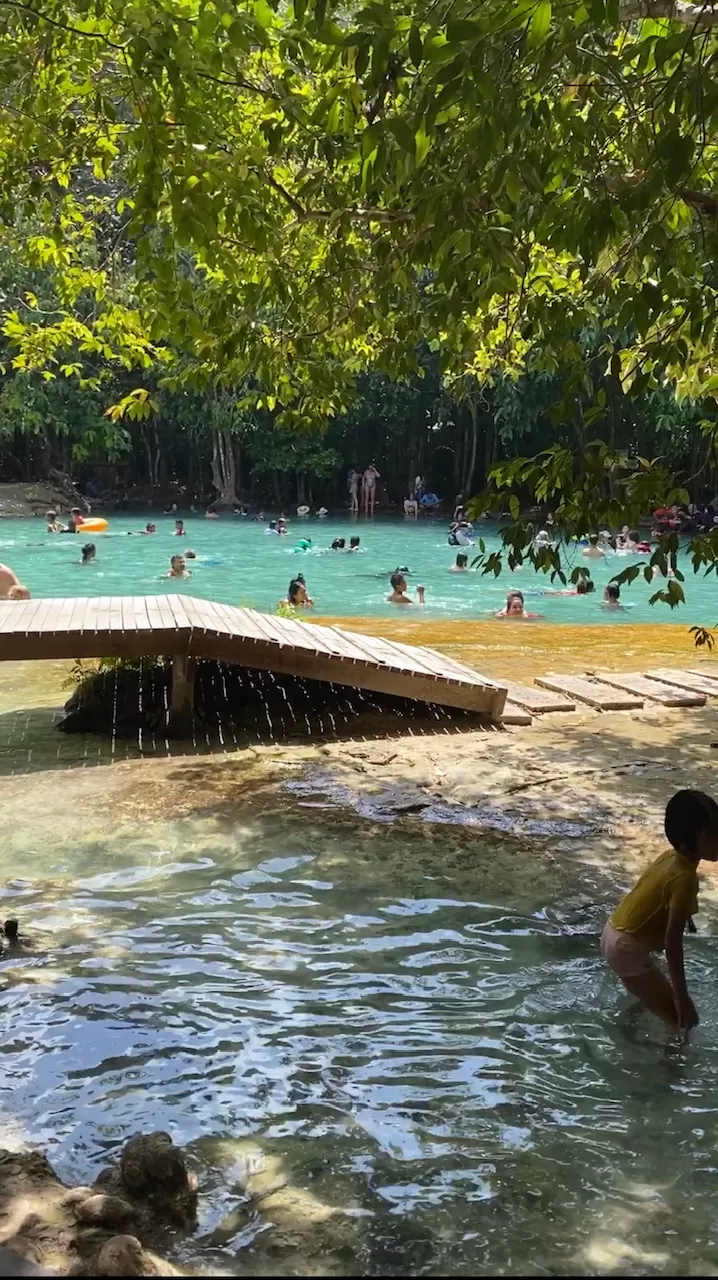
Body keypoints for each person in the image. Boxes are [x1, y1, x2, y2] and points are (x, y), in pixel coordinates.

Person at [602, 790, 718, 1029]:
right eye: (714, 836)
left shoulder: (670, 857)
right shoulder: (685, 878)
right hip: (627, 948)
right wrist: (682, 997)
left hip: (614, 932)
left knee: (657, 994)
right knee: (681, 1020)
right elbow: (673, 943)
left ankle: (628, 1023)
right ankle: (669, 1066)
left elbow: (655, 895)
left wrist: (686, 916)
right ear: (692, 840)